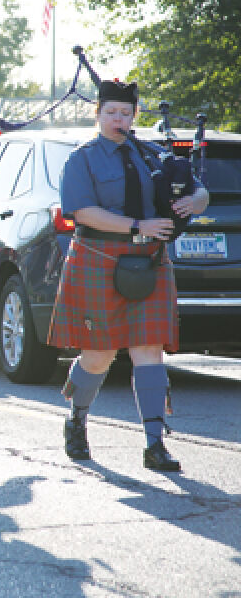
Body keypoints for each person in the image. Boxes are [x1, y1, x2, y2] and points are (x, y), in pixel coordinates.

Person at [49, 79, 209, 472]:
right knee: (99, 355)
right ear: (98, 114)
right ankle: (77, 420)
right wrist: (139, 225)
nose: (118, 119)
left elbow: (200, 190)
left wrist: (195, 200)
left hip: (148, 260)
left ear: (135, 115)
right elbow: (82, 212)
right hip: (99, 257)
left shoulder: (153, 154)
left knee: (148, 350)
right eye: (110, 113)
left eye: (125, 112)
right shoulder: (82, 159)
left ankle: (155, 442)